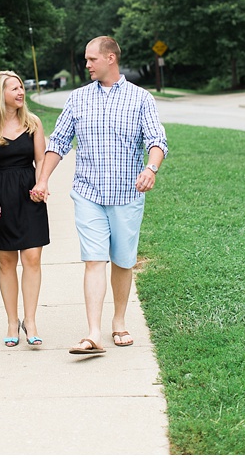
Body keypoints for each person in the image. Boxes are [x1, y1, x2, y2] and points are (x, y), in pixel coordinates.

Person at [31, 36, 167, 355]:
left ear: (110, 58)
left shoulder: (140, 98)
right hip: (88, 193)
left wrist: (151, 168)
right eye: (86, 59)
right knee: (94, 260)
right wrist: (43, 179)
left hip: (126, 195)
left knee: (122, 261)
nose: (87, 64)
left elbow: (157, 140)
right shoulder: (78, 99)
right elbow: (58, 142)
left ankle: (119, 322)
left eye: (92, 59)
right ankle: (93, 333)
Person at [0, 70, 50, 347]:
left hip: (29, 196)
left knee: (32, 258)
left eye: (21, 87)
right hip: (0, 196)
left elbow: (41, 159)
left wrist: (41, 184)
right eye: (14, 88)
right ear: (0, 93)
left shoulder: (33, 122)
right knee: (6, 263)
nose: (21, 92)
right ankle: (11, 321)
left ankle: (30, 321)